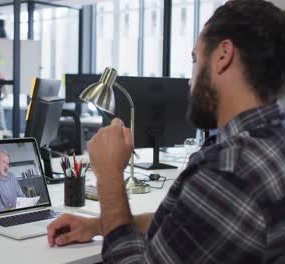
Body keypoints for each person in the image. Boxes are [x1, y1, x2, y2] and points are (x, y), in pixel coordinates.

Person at [47, 0, 285, 263]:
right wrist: (99, 225)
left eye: (195, 59)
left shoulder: (230, 169)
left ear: (222, 55)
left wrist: (110, 175)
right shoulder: (271, 144)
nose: (189, 79)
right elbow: (189, 228)